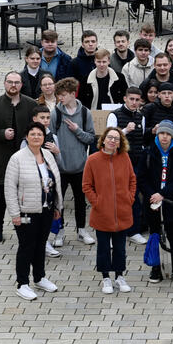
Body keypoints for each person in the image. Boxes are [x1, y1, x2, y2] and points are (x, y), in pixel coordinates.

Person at [4, 122, 63, 300]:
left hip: (45, 210)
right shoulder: (17, 158)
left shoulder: (47, 155)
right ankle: (22, 283)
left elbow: (56, 181)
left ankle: (40, 277)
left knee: (40, 244)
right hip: (25, 213)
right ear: (26, 137)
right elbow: (9, 187)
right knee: (26, 246)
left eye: (40, 134)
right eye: (33, 134)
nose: (36, 137)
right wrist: (15, 214)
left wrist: (57, 206)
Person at [0, 73, 40, 244]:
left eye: (16, 82)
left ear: (21, 85)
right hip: (3, 158)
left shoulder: (31, 104)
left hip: (26, 157)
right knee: (0, 194)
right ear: (4, 83)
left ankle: (25, 226)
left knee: (25, 195)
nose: (13, 85)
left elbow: (37, 127)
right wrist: (1, 134)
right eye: (10, 82)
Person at [83, 127, 138, 295]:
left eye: (117, 139)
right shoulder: (93, 160)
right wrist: (97, 202)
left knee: (120, 247)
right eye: (110, 138)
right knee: (104, 247)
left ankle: (119, 275)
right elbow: (86, 185)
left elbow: (132, 179)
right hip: (102, 213)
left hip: (122, 211)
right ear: (104, 140)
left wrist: (130, 198)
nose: (113, 141)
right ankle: (106, 276)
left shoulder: (124, 157)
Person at [140, 120, 173, 283]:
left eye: (168, 134)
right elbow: (142, 178)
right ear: (157, 134)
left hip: (172, 202)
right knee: (154, 234)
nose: (165, 137)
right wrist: (152, 194)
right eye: (162, 133)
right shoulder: (148, 152)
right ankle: (156, 267)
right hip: (152, 201)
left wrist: (163, 193)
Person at [53, 78, 96, 243]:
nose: (60, 98)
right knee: (59, 202)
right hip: (60, 167)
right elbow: (50, 138)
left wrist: (77, 131)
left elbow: (91, 138)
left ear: (73, 94)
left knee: (80, 201)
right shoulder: (55, 114)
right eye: (58, 95)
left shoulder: (85, 113)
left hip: (80, 167)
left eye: (63, 95)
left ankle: (81, 230)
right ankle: (60, 232)